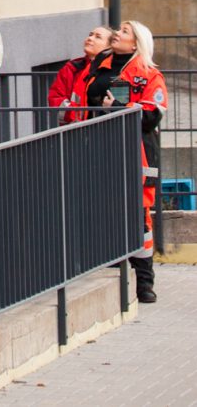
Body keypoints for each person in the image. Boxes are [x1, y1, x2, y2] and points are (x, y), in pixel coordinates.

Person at [83, 19, 168, 304]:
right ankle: (111, 270)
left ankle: (144, 282)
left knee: (139, 216)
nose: (116, 34)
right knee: (104, 211)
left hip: (136, 153)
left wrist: (117, 108)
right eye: (118, 30)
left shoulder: (149, 74)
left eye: (124, 31)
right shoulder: (100, 66)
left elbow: (151, 115)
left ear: (136, 43)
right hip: (101, 149)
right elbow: (90, 102)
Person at [47, 25, 113, 124]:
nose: (90, 38)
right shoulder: (72, 68)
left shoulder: (115, 69)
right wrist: (77, 116)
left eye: (98, 37)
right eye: (90, 35)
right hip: (75, 130)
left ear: (109, 47)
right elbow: (56, 99)